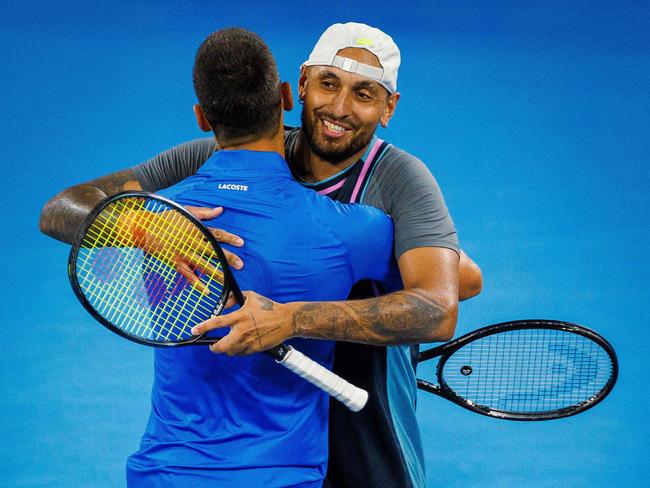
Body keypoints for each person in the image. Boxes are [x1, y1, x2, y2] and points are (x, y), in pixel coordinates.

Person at [40, 23, 482, 488]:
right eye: (329, 84)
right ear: (298, 89)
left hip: (364, 425)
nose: (339, 108)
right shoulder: (203, 165)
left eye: (364, 94)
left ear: (388, 108)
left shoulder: (399, 179)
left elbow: (452, 289)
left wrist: (296, 314)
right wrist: (149, 228)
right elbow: (62, 210)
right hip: (287, 443)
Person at [125, 27, 396, 487]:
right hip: (283, 478)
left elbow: (66, 214)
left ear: (201, 118)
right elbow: (460, 280)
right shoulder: (350, 229)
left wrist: (141, 225)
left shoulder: (148, 219)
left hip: (163, 473)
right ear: (288, 97)